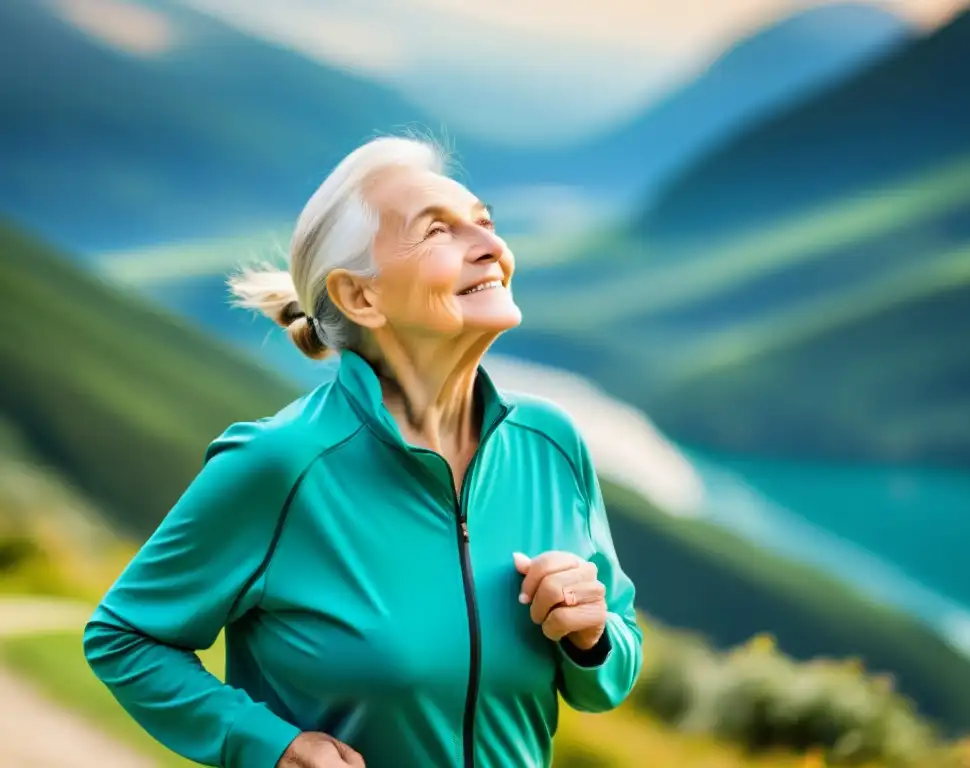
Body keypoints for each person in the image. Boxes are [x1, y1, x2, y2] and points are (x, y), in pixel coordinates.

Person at [83, 136, 643, 768]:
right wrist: (273, 747)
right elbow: (124, 637)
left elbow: (608, 680)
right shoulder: (283, 464)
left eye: (485, 222)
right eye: (437, 233)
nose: (491, 247)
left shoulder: (551, 443)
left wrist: (593, 637)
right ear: (360, 296)